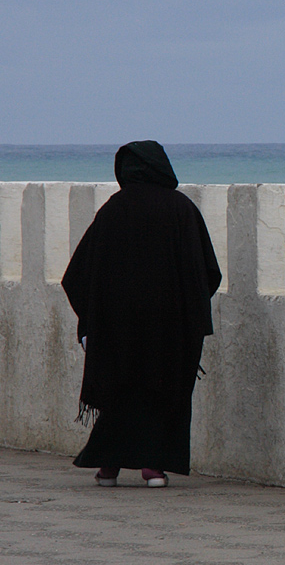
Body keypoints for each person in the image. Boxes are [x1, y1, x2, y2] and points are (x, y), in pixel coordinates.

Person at [62, 140, 222, 488]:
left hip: (118, 329)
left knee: (121, 393)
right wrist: (184, 313)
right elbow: (207, 273)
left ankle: (108, 465)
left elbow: (77, 275)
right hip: (171, 329)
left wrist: (94, 320)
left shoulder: (113, 210)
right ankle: (153, 466)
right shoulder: (182, 209)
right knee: (163, 393)